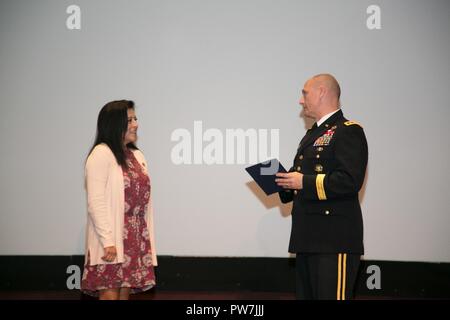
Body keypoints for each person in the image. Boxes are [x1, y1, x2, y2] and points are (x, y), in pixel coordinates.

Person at [275, 74, 368, 300]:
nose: (300, 100)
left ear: (322, 92)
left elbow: (349, 180)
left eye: (305, 93)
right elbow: (305, 179)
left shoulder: (348, 130)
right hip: (308, 238)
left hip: (333, 240)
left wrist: (302, 182)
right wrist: (284, 182)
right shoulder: (312, 134)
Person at [81, 100, 157, 300]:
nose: (135, 124)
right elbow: (95, 202)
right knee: (110, 294)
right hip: (111, 240)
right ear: (115, 124)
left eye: (135, 118)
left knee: (124, 295)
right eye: (129, 120)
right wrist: (108, 241)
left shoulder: (137, 155)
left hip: (135, 238)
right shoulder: (101, 154)